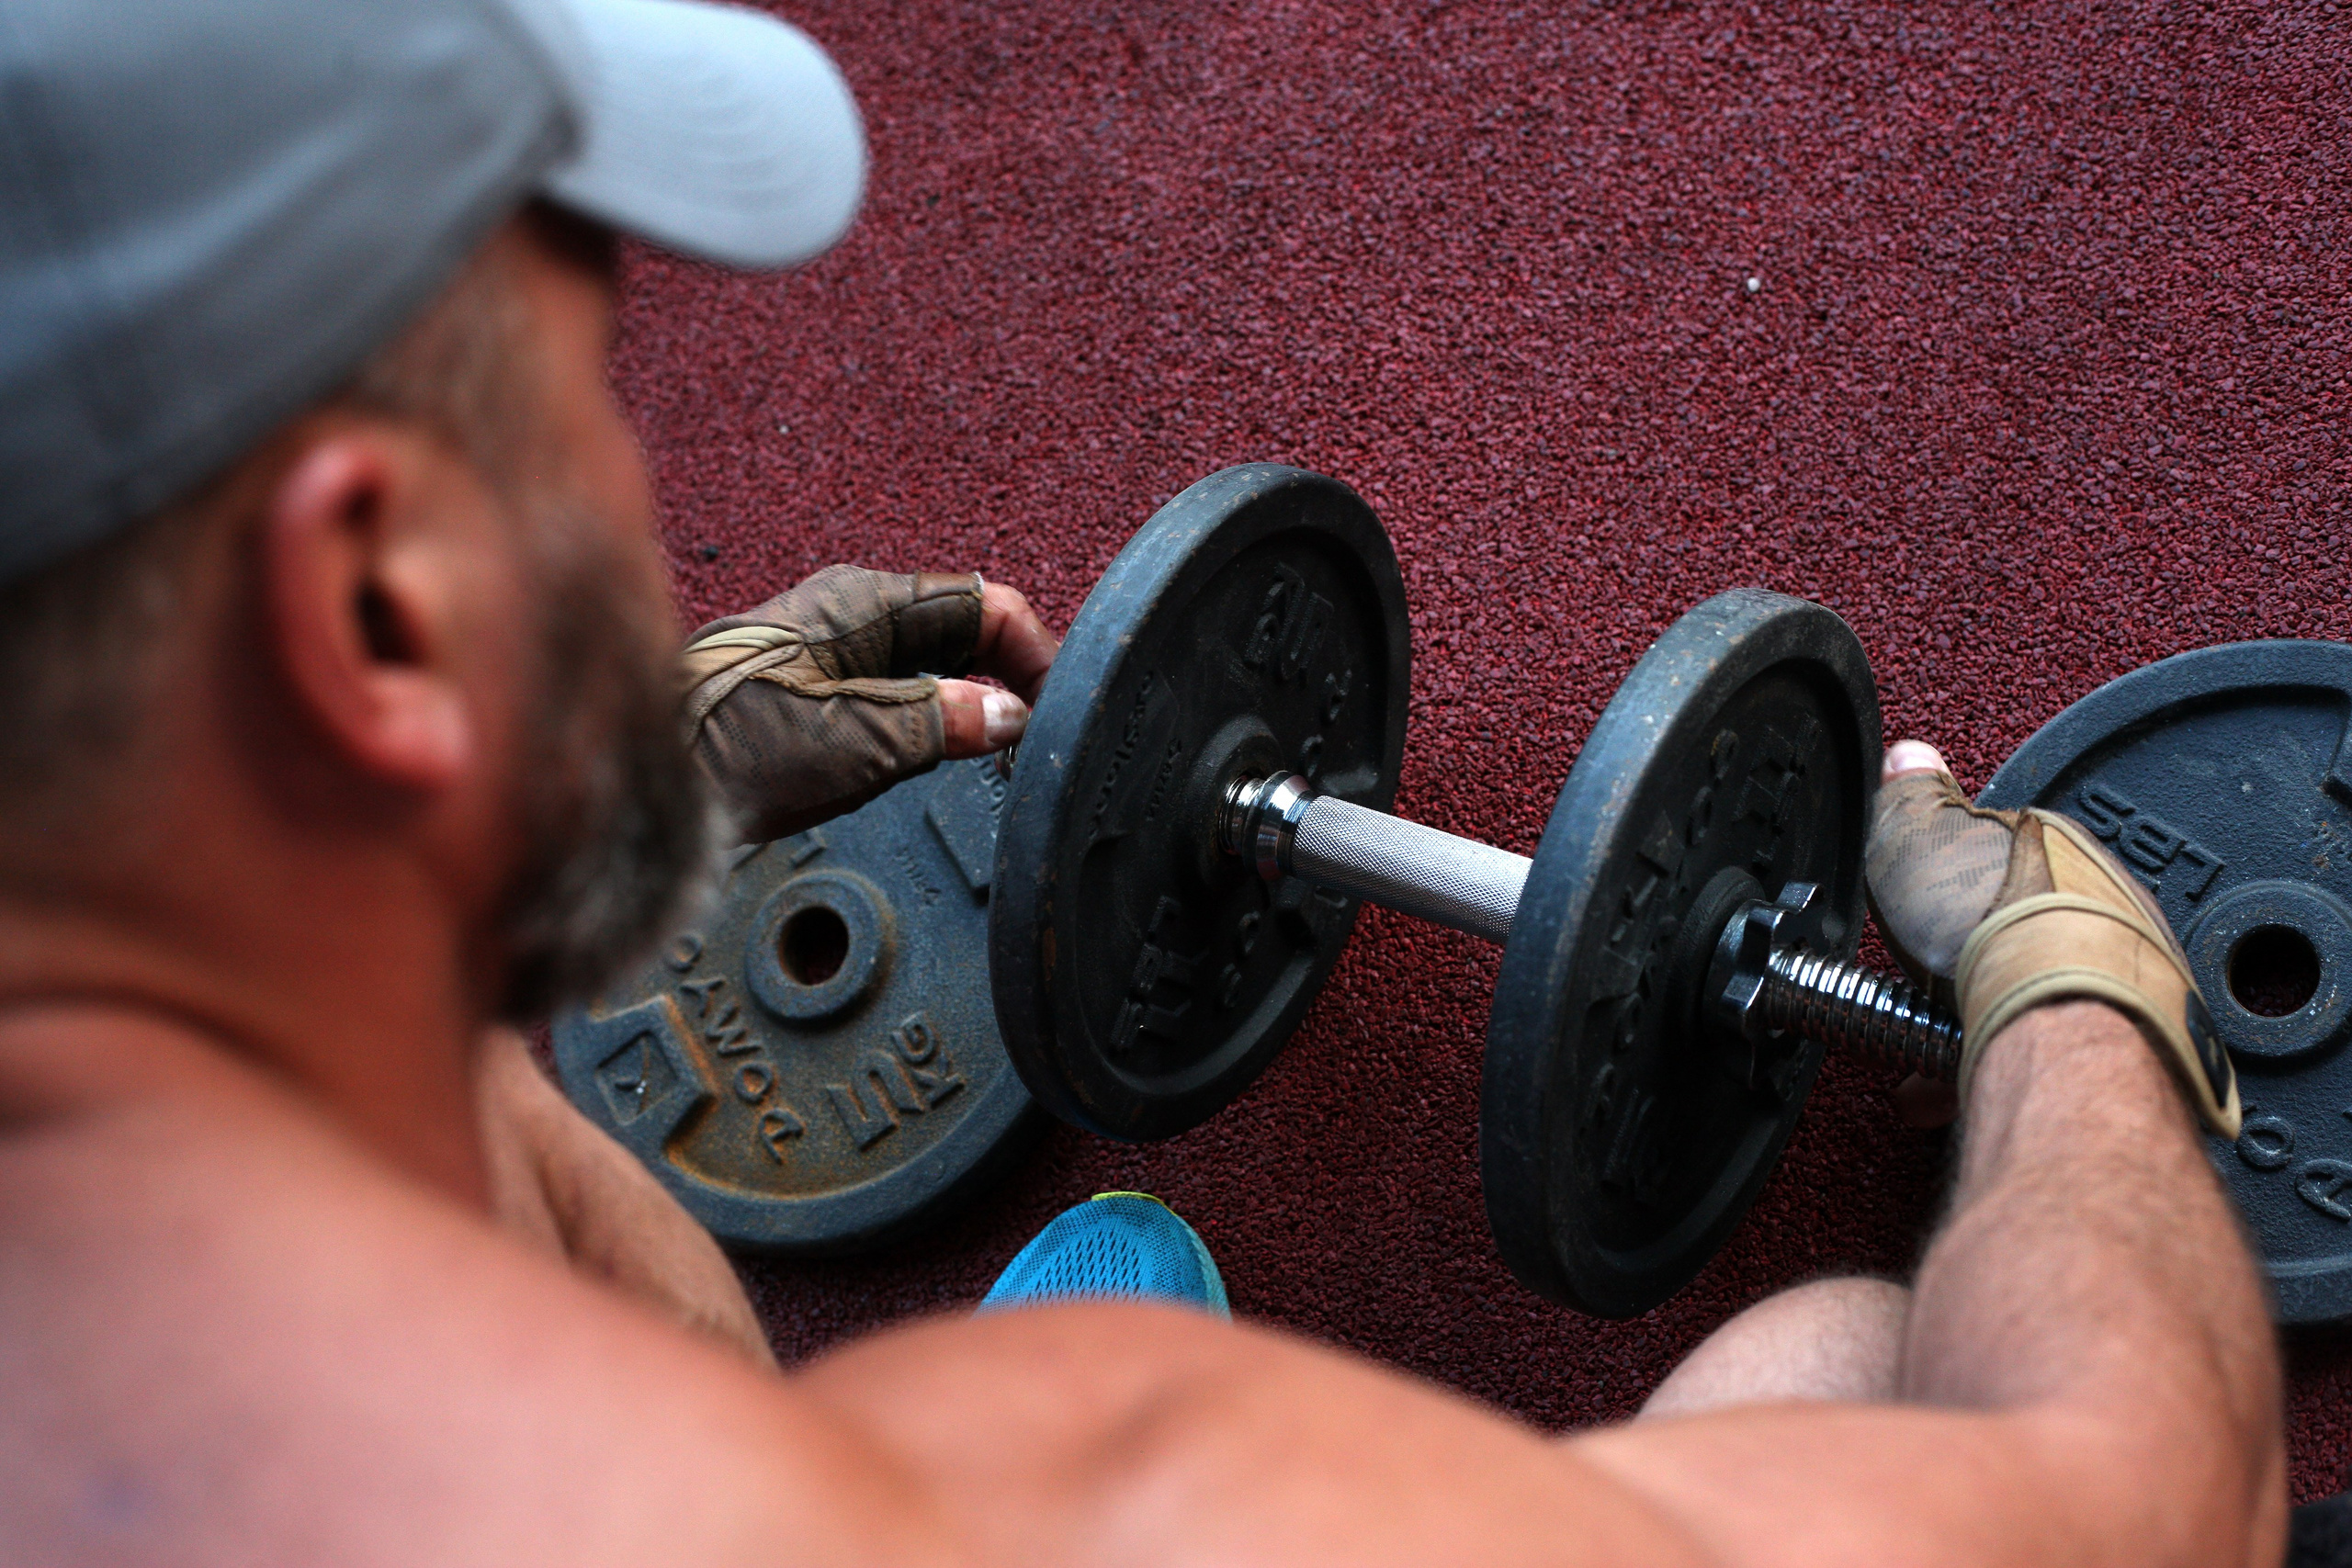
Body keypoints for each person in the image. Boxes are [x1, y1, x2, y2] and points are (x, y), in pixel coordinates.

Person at [0, 1, 2285, 1564]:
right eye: (589, 375)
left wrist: (554, 782)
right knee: (1861, 1347)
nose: (635, 483)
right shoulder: (1059, 1483)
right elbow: (2135, 1486)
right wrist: (2069, 988)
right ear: (377, 610)